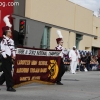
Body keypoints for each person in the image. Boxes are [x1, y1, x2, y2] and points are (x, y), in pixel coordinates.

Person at [0, 15, 16, 92]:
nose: (11, 32)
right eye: (10, 31)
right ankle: (9, 86)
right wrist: (4, 56)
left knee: (8, 70)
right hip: (5, 57)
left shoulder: (11, 40)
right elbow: (2, 49)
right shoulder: (3, 40)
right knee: (8, 72)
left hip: (9, 57)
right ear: (6, 32)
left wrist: (14, 55)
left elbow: (13, 49)